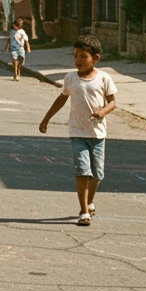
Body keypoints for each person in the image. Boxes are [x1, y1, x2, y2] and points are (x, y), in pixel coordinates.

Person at [38, 35, 117, 226]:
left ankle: (90, 201)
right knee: (82, 171)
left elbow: (113, 102)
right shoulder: (70, 78)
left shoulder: (104, 78)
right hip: (77, 132)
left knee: (97, 174)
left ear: (95, 58)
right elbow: (62, 98)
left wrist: (102, 112)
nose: (78, 60)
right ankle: (83, 211)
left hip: (97, 134)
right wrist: (46, 119)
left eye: (83, 56)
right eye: (75, 56)